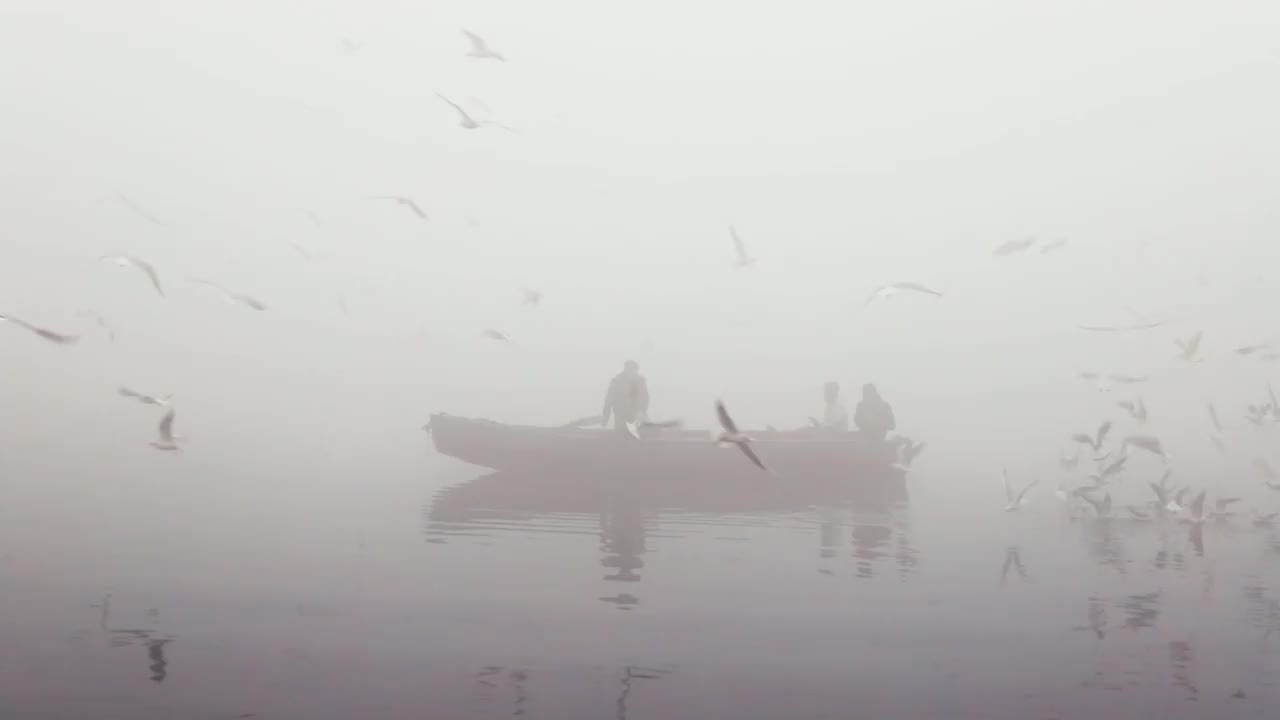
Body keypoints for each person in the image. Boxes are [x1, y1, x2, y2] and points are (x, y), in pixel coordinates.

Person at [601, 360, 650, 436]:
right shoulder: (617, 381)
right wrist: (605, 418)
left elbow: (645, 397)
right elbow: (609, 400)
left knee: (633, 436)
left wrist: (642, 411)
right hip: (620, 415)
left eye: (634, 370)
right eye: (631, 370)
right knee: (621, 436)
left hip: (634, 415)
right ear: (626, 369)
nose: (633, 372)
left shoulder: (640, 381)